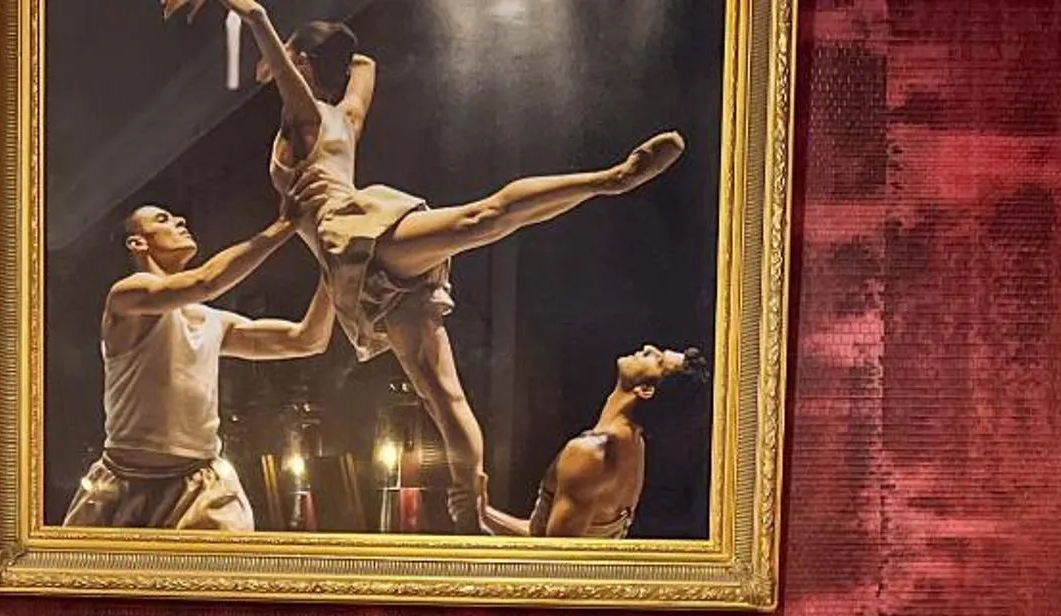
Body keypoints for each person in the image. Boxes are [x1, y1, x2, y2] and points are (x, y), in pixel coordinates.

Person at [213, 0, 684, 535]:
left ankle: (611, 178)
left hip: (354, 235)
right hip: (350, 262)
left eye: (291, 65)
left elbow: (290, 50)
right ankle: (473, 501)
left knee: (479, 220)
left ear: (299, 65)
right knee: (443, 393)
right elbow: (364, 65)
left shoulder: (306, 119)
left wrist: (257, 23)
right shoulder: (347, 116)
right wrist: (307, 53)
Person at [61, 205, 334, 531]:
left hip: (200, 487)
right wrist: (286, 224)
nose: (180, 220)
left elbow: (306, 340)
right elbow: (205, 281)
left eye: (176, 216)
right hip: (123, 485)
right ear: (138, 243)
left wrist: (336, 271)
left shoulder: (211, 321)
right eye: (162, 219)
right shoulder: (128, 296)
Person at [528, 344, 705, 538]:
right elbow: (541, 536)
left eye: (658, 360)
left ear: (645, 390)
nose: (649, 348)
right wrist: (488, 515)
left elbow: (555, 557)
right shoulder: (635, 446)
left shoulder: (590, 454)